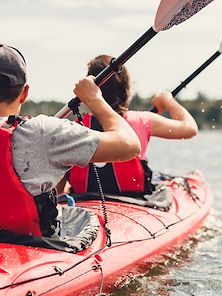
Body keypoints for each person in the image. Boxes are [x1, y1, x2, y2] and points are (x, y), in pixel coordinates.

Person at [0, 44, 139, 240]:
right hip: (31, 253)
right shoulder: (42, 132)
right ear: (24, 93)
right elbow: (129, 145)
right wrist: (94, 99)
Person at [67, 54, 198, 196]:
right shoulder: (143, 120)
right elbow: (190, 129)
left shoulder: (73, 128)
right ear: (126, 89)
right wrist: (168, 101)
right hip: (134, 201)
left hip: (82, 202)